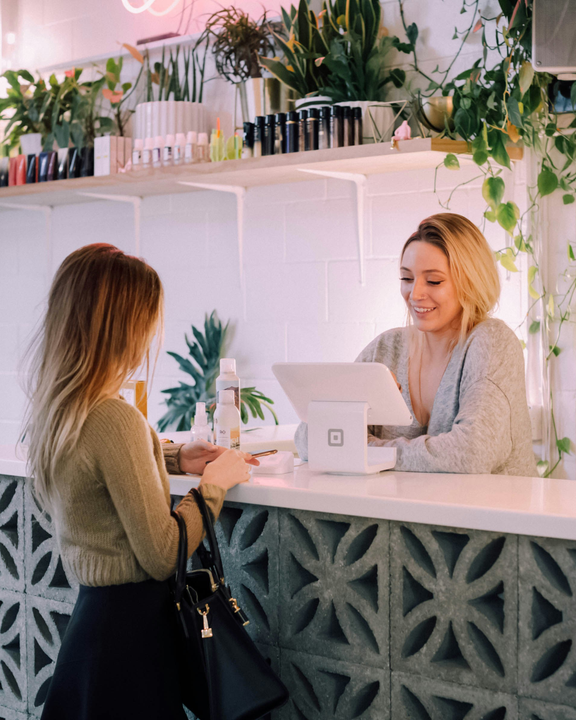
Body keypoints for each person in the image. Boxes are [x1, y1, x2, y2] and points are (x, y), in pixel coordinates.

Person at [23, 243, 259, 719]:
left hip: (92, 630)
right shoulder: (114, 418)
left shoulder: (62, 409)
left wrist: (171, 457)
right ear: (125, 326)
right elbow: (160, 554)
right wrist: (212, 485)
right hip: (131, 642)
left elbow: (96, 466)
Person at [295, 213, 538, 477]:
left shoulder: (491, 342)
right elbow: (309, 440)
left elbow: (471, 453)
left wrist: (368, 452)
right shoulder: (387, 348)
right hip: (406, 514)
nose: (415, 294)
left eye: (433, 281)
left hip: (488, 515)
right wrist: (357, 408)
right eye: (407, 278)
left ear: (471, 281)